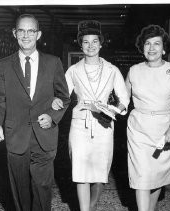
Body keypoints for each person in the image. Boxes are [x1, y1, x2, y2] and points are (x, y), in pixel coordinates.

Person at [0, 14, 70, 211]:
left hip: (44, 137)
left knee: (42, 188)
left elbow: (64, 97)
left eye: (31, 31)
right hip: (16, 136)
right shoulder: (3, 65)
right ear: (15, 34)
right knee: (20, 190)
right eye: (21, 31)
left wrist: (52, 116)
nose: (26, 35)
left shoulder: (53, 63)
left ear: (38, 34)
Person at [52, 20, 129, 211]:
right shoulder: (73, 70)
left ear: (101, 44)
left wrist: (111, 111)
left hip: (104, 125)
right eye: (86, 42)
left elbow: (124, 100)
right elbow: (63, 96)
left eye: (95, 41)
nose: (91, 46)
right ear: (80, 44)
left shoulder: (112, 70)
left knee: (100, 173)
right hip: (80, 126)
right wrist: (56, 101)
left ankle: (92, 205)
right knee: (80, 172)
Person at [125, 24, 170, 211]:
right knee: (141, 176)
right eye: (147, 44)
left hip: (165, 128)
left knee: (157, 175)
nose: (151, 48)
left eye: (156, 44)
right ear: (142, 48)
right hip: (138, 128)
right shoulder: (134, 70)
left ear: (164, 47)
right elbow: (123, 100)